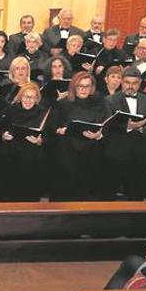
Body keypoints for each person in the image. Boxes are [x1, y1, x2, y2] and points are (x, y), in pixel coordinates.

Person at [46, 72, 110, 201]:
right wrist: (60, 130)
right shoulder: (63, 103)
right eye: (80, 86)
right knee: (66, 192)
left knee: (86, 192)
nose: (83, 89)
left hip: (91, 153)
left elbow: (106, 124)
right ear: (74, 87)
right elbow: (51, 126)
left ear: (92, 87)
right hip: (66, 154)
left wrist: (99, 134)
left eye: (87, 86)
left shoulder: (100, 103)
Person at [101, 67, 146, 200]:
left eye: (134, 83)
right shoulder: (109, 100)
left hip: (140, 156)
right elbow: (105, 125)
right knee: (108, 195)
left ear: (140, 83)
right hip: (115, 155)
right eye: (127, 82)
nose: (130, 86)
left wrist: (142, 129)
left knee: (137, 196)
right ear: (121, 82)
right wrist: (126, 126)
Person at [0, 83, 48, 202]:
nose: (28, 100)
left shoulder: (42, 113)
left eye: (32, 97)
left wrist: (40, 141)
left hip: (31, 161)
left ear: (37, 98)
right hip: (10, 159)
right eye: (25, 96)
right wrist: (3, 135)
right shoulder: (10, 110)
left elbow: (48, 136)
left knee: (28, 197)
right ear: (20, 97)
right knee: (8, 195)